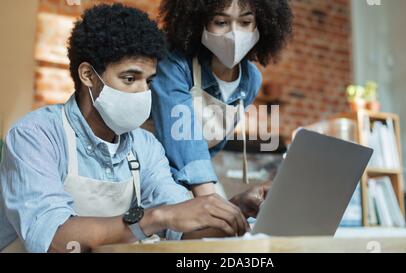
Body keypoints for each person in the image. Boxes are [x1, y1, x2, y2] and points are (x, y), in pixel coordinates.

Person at [0, 3, 268, 253]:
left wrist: (233, 211)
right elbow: (54, 240)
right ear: (88, 75)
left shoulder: (145, 147)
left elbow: (185, 229)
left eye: (149, 81)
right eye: (130, 78)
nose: (143, 93)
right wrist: (156, 217)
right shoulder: (36, 135)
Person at [152, 0, 293, 197]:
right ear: (200, 22)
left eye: (245, 23)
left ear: (260, 24)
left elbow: (211, 148)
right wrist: (207, 197)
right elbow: (184, 138)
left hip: (192, 180)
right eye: (220, 22)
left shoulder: (251, 79)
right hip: (152, 174)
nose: (235, 34)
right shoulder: (175, 64)